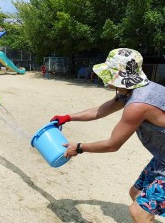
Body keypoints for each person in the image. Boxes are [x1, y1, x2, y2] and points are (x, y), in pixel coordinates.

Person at [50, 48, 165, 222]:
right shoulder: (131, 91)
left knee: (139, 212)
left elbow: (113, 145)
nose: (104, 77)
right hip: (162, 156)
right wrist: (67, 117)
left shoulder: (138, 104)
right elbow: (100, 111)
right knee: (135, 193)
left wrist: (79, 148)